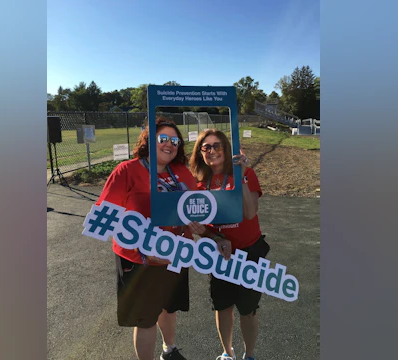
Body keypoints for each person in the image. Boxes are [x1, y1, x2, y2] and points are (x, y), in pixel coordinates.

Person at [95, 117, 197, 360]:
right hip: (140, 259)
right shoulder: (127, 170)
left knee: (169, 308)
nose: (169, 144)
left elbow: (196, 208)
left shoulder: (181, 172)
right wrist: (142, 250)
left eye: (175, 140)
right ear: (149, 140)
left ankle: (169, 350)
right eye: (163, 138)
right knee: (146, 318)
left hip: (174, 254)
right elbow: (104, 215)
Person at [188, 129, 270, 360]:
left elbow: (250, 212)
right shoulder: (198, 184)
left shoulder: (245, 173)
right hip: (219, 254)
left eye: (218, 146)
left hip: (249, 252)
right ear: (200, 152)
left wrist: (242, 176)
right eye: (206, 147)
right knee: (222, 307)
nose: (212, 151)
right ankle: (227, 353)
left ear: (226, 149)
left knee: (248, 309)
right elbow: (203, 228)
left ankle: (249, 355)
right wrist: (214, 238)